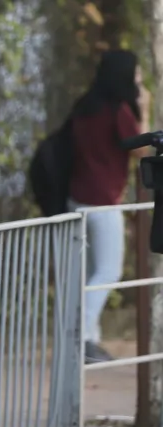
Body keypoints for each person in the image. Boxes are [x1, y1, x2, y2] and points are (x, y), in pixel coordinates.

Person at [67, 50, 151, 363]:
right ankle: (83, 340)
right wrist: (144, 107)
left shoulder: (85, 107)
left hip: (77, 198)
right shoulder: (118, 111)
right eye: (137, 77)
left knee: (89, 271)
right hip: (103, 201)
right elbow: (142, 149)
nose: (139, 82)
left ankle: (90, 338)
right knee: (108, 271)